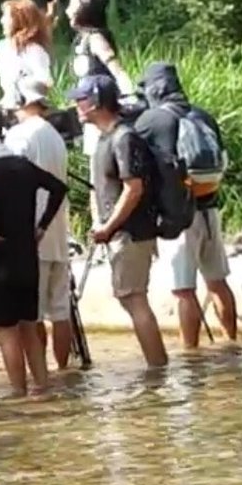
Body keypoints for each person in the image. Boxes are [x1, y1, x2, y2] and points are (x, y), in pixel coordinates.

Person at [0, 100, 68, 396]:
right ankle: (42, 388)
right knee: (29, 328)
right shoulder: (21, 164)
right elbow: (59, 188)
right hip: (27, 254)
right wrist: (41, 226)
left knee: (6, 332)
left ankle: (19, 393)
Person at [134, 61, 239, 348]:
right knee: (217, 281)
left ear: (155, 89)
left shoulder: (153, 120)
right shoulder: (203, 115)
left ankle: (191, 355)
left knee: (184, 291)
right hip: (210, 208)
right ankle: (231, 343)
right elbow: (222, 159)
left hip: (179, 217)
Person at [68, 74, 168, 368]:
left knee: (134, 298)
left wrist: (108, 226)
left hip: (130, 233)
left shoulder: (124, 138)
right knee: (130, 298)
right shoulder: (107, 137)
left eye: (81, 100)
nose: (76, 105)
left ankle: (157, 370)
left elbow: (133, 188)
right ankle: (156, 367)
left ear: (96, 102)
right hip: (119, 232)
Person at [2, 77, 74, 370]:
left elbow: (8, 179)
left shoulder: (19, 136)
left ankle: (40, 376)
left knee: (32, 316)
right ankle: (63, 372)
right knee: (60, 311)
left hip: (32, 235)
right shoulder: (55, 135)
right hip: (58, 234)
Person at [64, 0, 138, 160]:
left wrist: (130, 96)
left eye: (72, 7)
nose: (67, 11)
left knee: (101, 156)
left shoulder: (96, 38)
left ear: (85, 11)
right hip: (88, 110)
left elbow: (116, 68)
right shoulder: (81, 39)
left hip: (100, 109)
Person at [0, 0, 54, 114]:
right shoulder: (2, 47)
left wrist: (25, 84)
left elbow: (45, 81)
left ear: (20, 20)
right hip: (7, 107)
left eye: (6, 17)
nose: (2, 21)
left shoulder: (34, 50)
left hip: (28, 110)